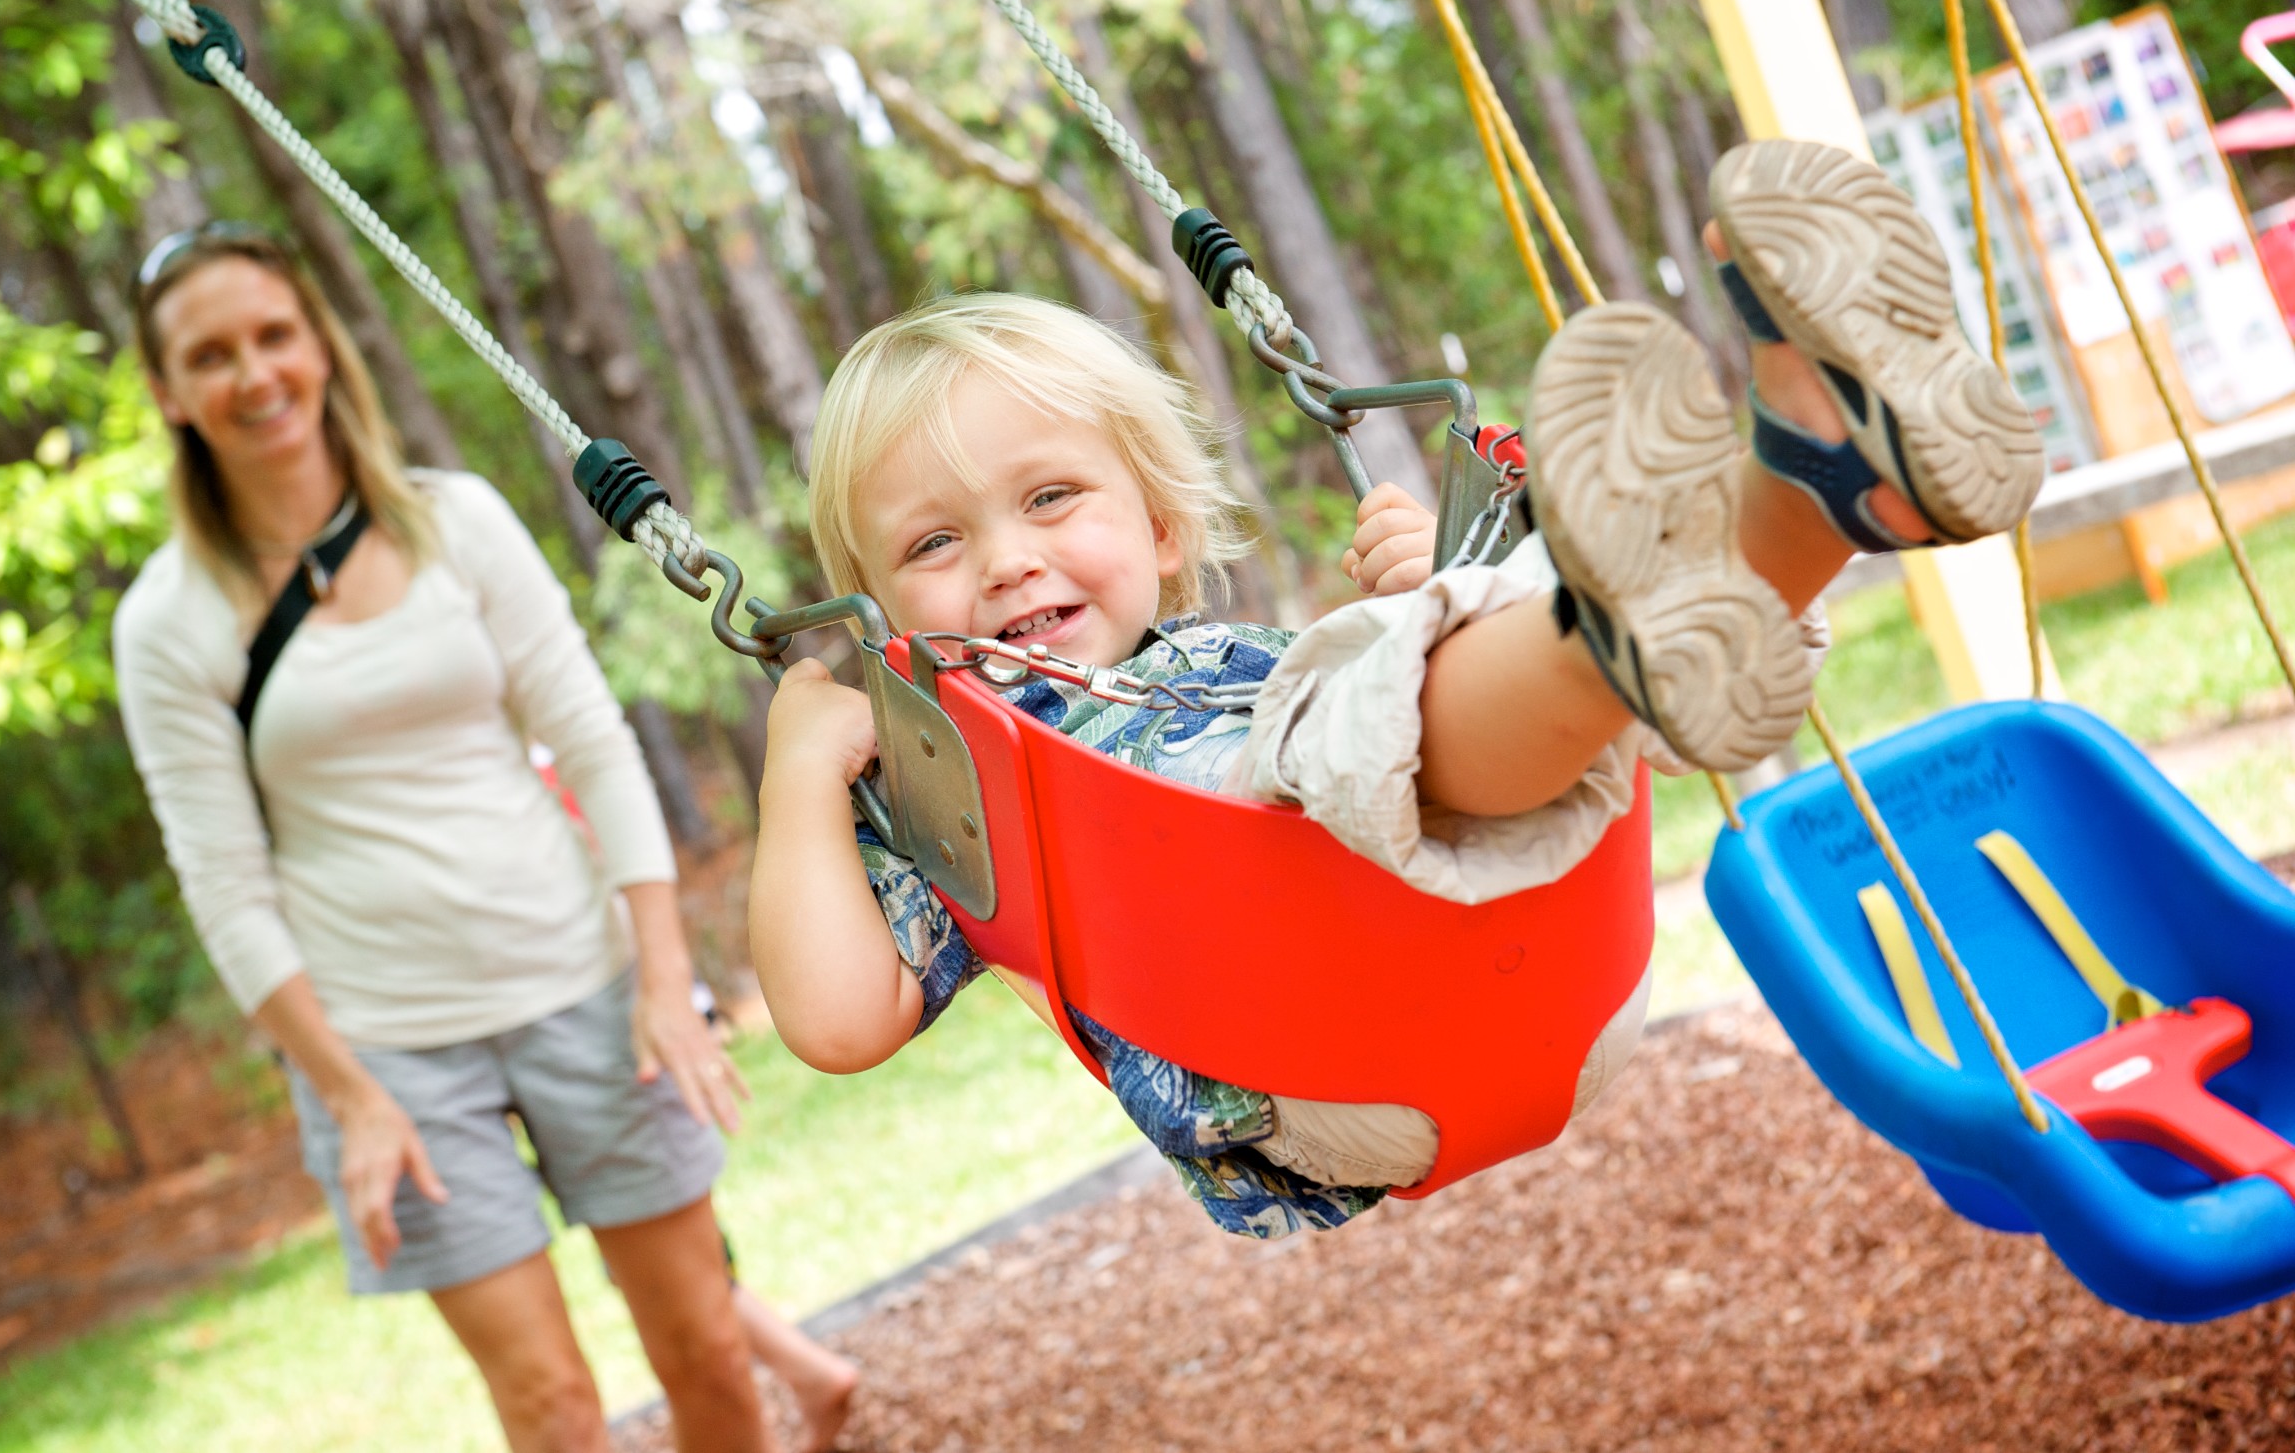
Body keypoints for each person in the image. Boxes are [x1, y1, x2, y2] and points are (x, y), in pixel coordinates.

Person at [746, 138, 2046, 1237]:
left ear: (1158, 531)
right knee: (1351, 719)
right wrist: (803, 780)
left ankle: (1819, 490)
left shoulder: (1232, 667)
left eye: (1049, 497)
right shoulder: (954, 796)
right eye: (934, 545)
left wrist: (1427, 600)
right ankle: (1599, 606)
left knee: (1419, 684)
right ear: (879, 625)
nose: (1008, 557)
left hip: (1544, 963)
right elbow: (841, 1019)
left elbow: (1389, 739)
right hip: (1309, 1063)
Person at [112, 225, 852, 1453]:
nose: (255, 374)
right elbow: (226, 889)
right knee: (553, 1408)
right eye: (212, 354)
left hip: (583, 982)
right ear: (169, 391)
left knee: (709, 1353)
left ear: (320, 345)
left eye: (274, 335)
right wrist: (348, 1096)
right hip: (391, 1049)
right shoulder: (167, 620)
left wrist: (665, 979)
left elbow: (594, 740)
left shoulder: (457, 522)